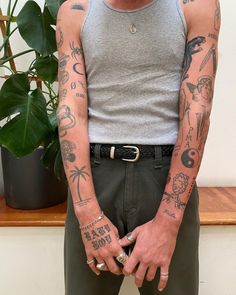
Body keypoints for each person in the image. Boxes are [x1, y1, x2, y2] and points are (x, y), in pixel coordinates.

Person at [56, 0, 220, 294]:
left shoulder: (196, 6)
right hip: (93, 179)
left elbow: (197, 111)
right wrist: (87, 214)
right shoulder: (75, 11)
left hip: (166, 181)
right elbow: (71, 114)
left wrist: (168, 222)